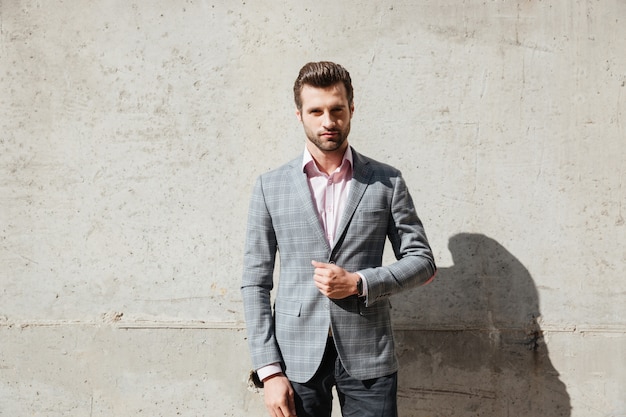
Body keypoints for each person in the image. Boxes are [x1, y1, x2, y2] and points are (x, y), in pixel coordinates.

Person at [241, 61, 436, 417]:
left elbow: (422, 261)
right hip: (295, 356)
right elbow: (254, 283)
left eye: (336, 110)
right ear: (299, 115)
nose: (328, 121)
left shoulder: (386, 181)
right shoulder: (270, 187)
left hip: (368, 352)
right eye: (316, 111)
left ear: (351, 110)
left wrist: (360, 282)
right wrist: (269, 370)